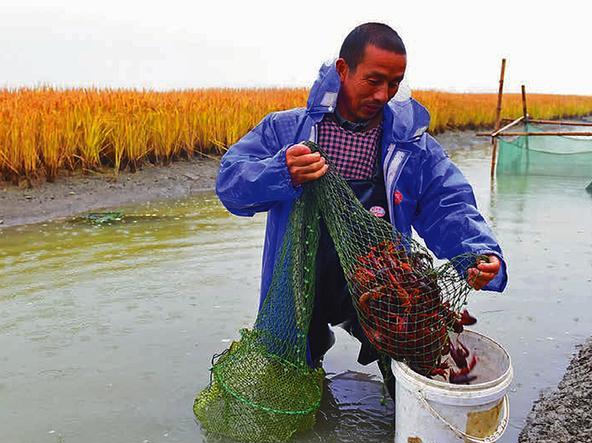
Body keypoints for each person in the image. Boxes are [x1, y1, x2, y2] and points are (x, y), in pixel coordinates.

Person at [215, 22, 507, 398]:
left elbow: (449, 204)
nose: (384, 94)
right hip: (300, 281)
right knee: (292, 373)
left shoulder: (412, 145)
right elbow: (231, 185)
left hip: (381, 282)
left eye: (395, 82)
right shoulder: (286, 129)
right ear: (342, 70)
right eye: (373, 80)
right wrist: (280, 171)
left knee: (411, 370)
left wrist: (479, 254)